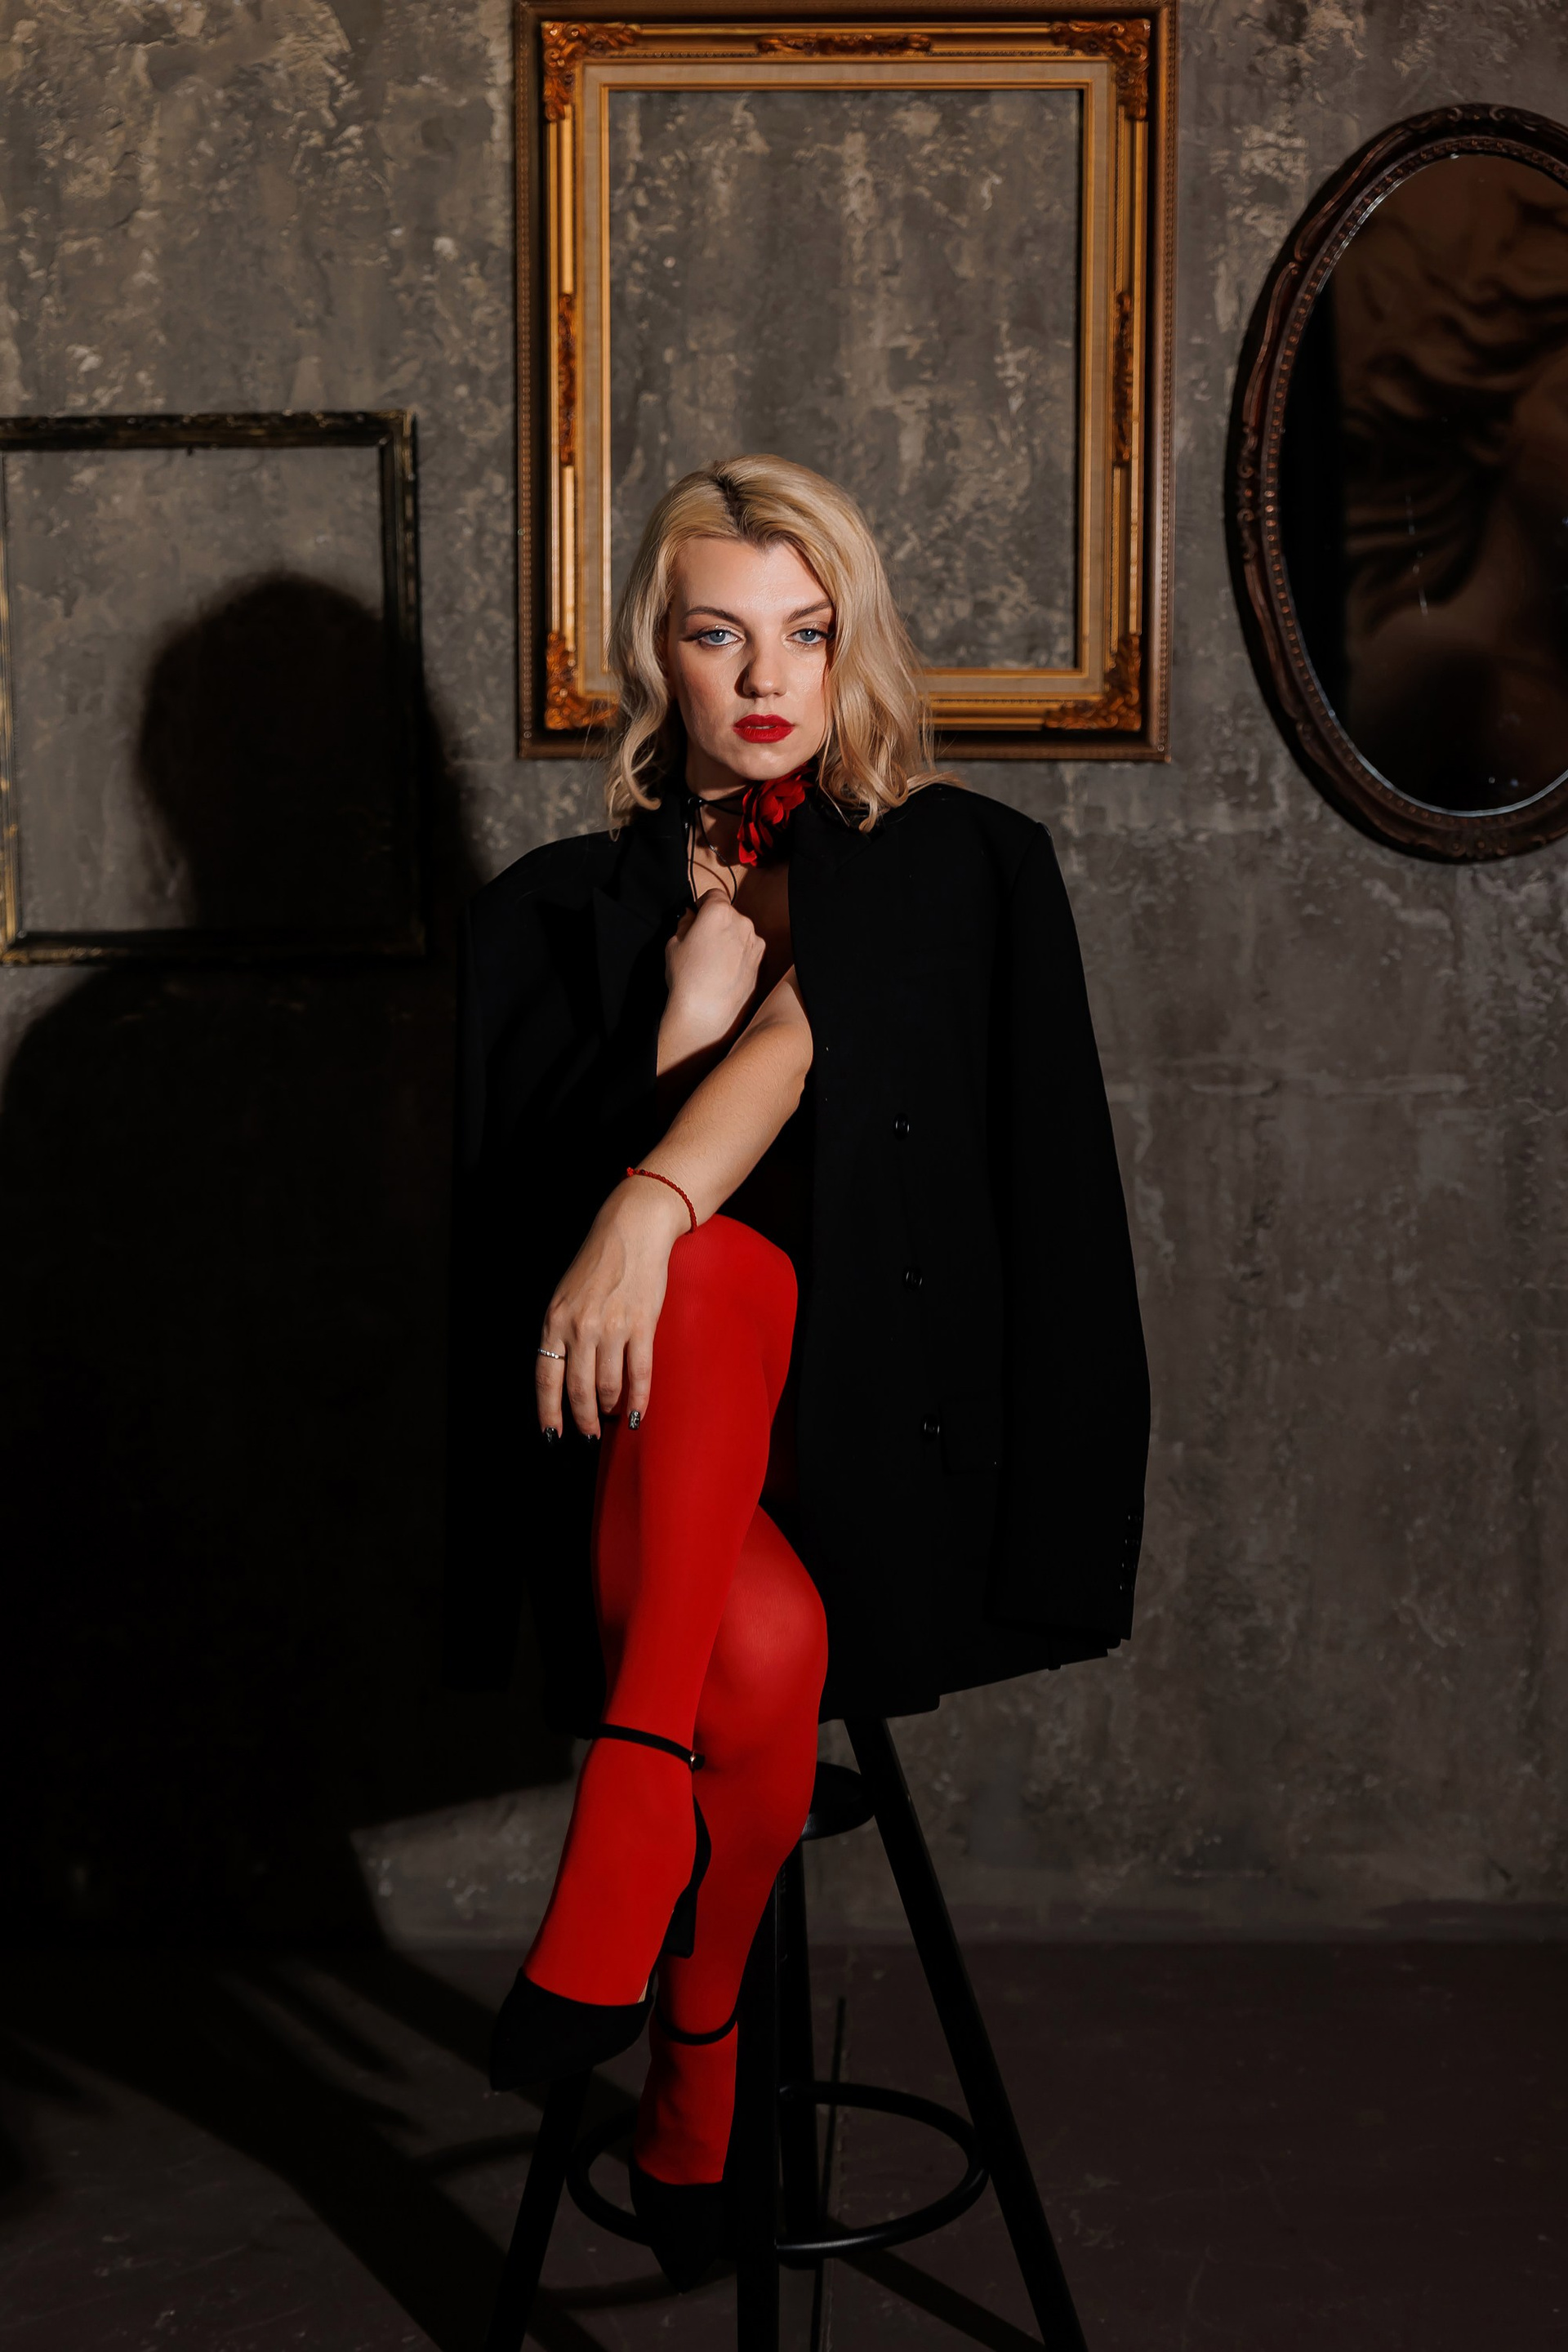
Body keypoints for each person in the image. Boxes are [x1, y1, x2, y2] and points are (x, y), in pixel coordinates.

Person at [445, 455, 1149, 2288]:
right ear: (654, 657)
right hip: (636, 1473)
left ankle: (630, 1818)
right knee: (748, 1648)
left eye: (808, 632)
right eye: (719, 635)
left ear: (857, 644)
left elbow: (829, 1053)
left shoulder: (953, 863)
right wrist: (667, 1032)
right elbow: (507, 1250)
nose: (768, 680)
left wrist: (653, 1190)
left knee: (702, 1264)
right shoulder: (543, 913)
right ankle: (697, 2049)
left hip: (880, 1459)